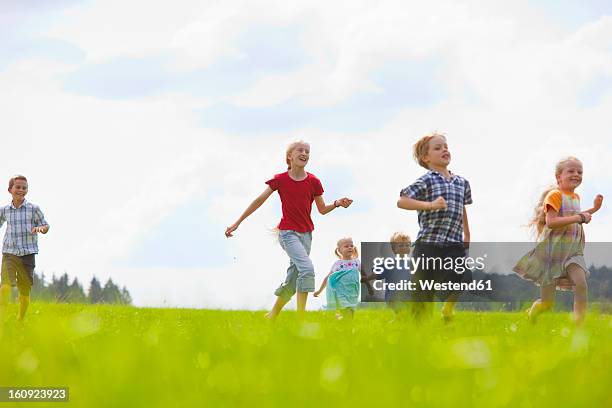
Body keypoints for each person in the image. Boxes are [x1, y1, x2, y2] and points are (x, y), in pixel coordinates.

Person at [225, 141, 352, 319]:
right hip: (288, 233)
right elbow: (259, 200)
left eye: (307, 151)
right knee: (307, 269)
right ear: (289, 156)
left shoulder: (313, 181)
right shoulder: (280, 179)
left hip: (307, 235)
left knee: (294, 277)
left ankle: (272, 315)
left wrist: (337, 203)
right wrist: (238, 222)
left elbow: (322, 210)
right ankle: (301, 317)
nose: (304, 153)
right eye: (300, 150)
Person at [513, 157, 603, 325]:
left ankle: (579, 325)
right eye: (571, 171)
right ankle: (534, 311)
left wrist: (594, 209)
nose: (576, 174)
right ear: (558, 177)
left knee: (581, 284)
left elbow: (576, 216)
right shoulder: (555, 195)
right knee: (547, 303)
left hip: (573, 253)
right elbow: (551, 222)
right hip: (553, 255)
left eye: (580, 172)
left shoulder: (575, 196)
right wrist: (579, 217)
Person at [397, 132, 472, 322]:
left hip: (453, 242)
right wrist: (430, 205)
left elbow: (462, 207)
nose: (444, 150)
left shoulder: (462, 182)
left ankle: (447, 310)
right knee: (422, 291)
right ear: (426, 158)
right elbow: (402, 201)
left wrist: (467, 232)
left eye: (445, 146)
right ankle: (418, 330)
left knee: (464, 276)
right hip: (428, 244)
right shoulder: (427, 180)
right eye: (438, 148)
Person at [0, 175, 50, 322]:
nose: (21, 190)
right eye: (18, 187)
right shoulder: (4, 210)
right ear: (10, 190)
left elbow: (46, 225)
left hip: (27, 254)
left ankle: (20, 319)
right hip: (9, 253)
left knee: (24, 292)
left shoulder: (33, 209)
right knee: (5, 286)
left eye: (24, 188)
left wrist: (41, 228)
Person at [364, 232, 412, 314]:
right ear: (394, 249)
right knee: (402, 314)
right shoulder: (389, 263)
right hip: (393, 296)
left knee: (406, 317)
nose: (404, 247)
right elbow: (376, 273)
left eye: (407, 245)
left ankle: (395, 323)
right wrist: (367, 278)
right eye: (401, 245)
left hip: (408, 297)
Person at [314, 237, 361, 320]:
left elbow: (364, 274)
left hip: (353, 292)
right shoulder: (338, 264)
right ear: (339, 250)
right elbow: (328, 278)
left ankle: (340, 321)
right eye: (346, 246)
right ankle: (347, 329)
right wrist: (319, 291)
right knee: (347, 311)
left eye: (351, 245)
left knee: (351, 312)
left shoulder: (356, 262)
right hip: (340, 292)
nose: (350, 247)